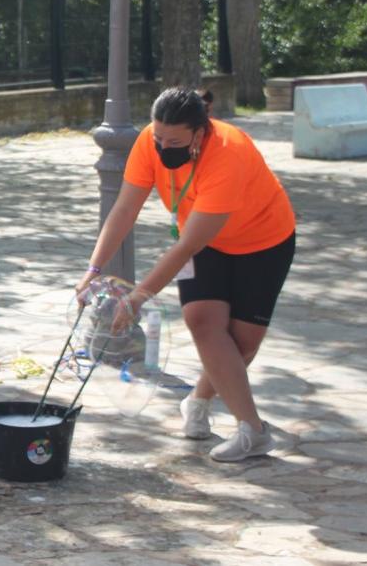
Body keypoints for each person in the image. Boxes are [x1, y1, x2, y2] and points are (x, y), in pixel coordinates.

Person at [76, 88, 296, 462]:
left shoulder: (228, 154)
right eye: (159, 137)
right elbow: (125, 209)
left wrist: (137, 297)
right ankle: (254, 431)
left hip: (263, 242)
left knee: (241, 344)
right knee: (202, 321)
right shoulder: (150, 142)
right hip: (205, 241)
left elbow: (185, 248)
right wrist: (93, 269)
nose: (163, 147)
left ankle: (198, 401)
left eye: (174, 141)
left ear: (200, 131)